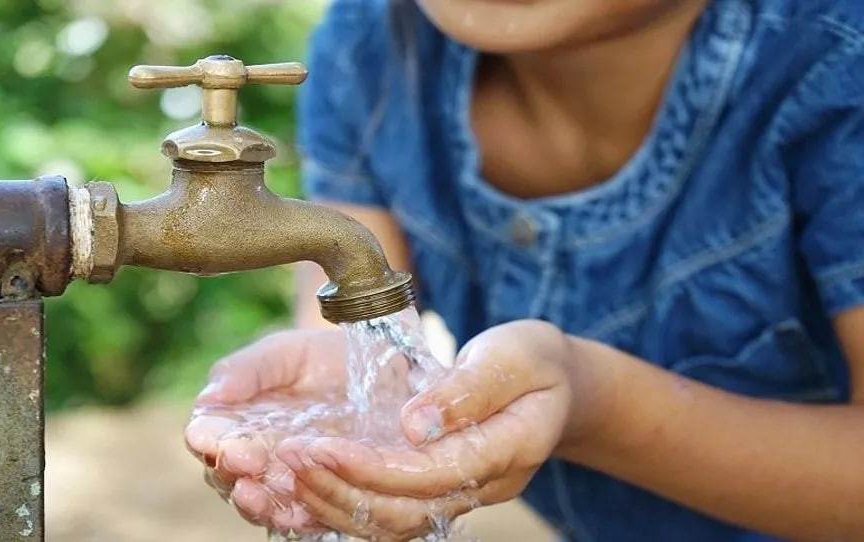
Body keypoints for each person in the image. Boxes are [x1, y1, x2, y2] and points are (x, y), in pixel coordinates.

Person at [185, 0, 864, 540]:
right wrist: (333, 435)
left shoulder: (838, 65)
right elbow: (355, 326)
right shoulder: (374, 44)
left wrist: (594, 403)